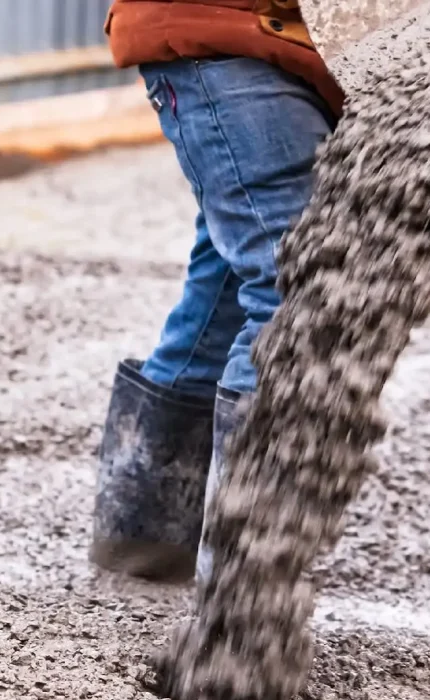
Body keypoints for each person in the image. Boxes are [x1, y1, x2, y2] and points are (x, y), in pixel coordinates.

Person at [88, 0, 344, 583]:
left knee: (233, 275)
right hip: (222, 29)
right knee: (299, 290)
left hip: (289, 44)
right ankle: (243, 614)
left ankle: (147, 538)